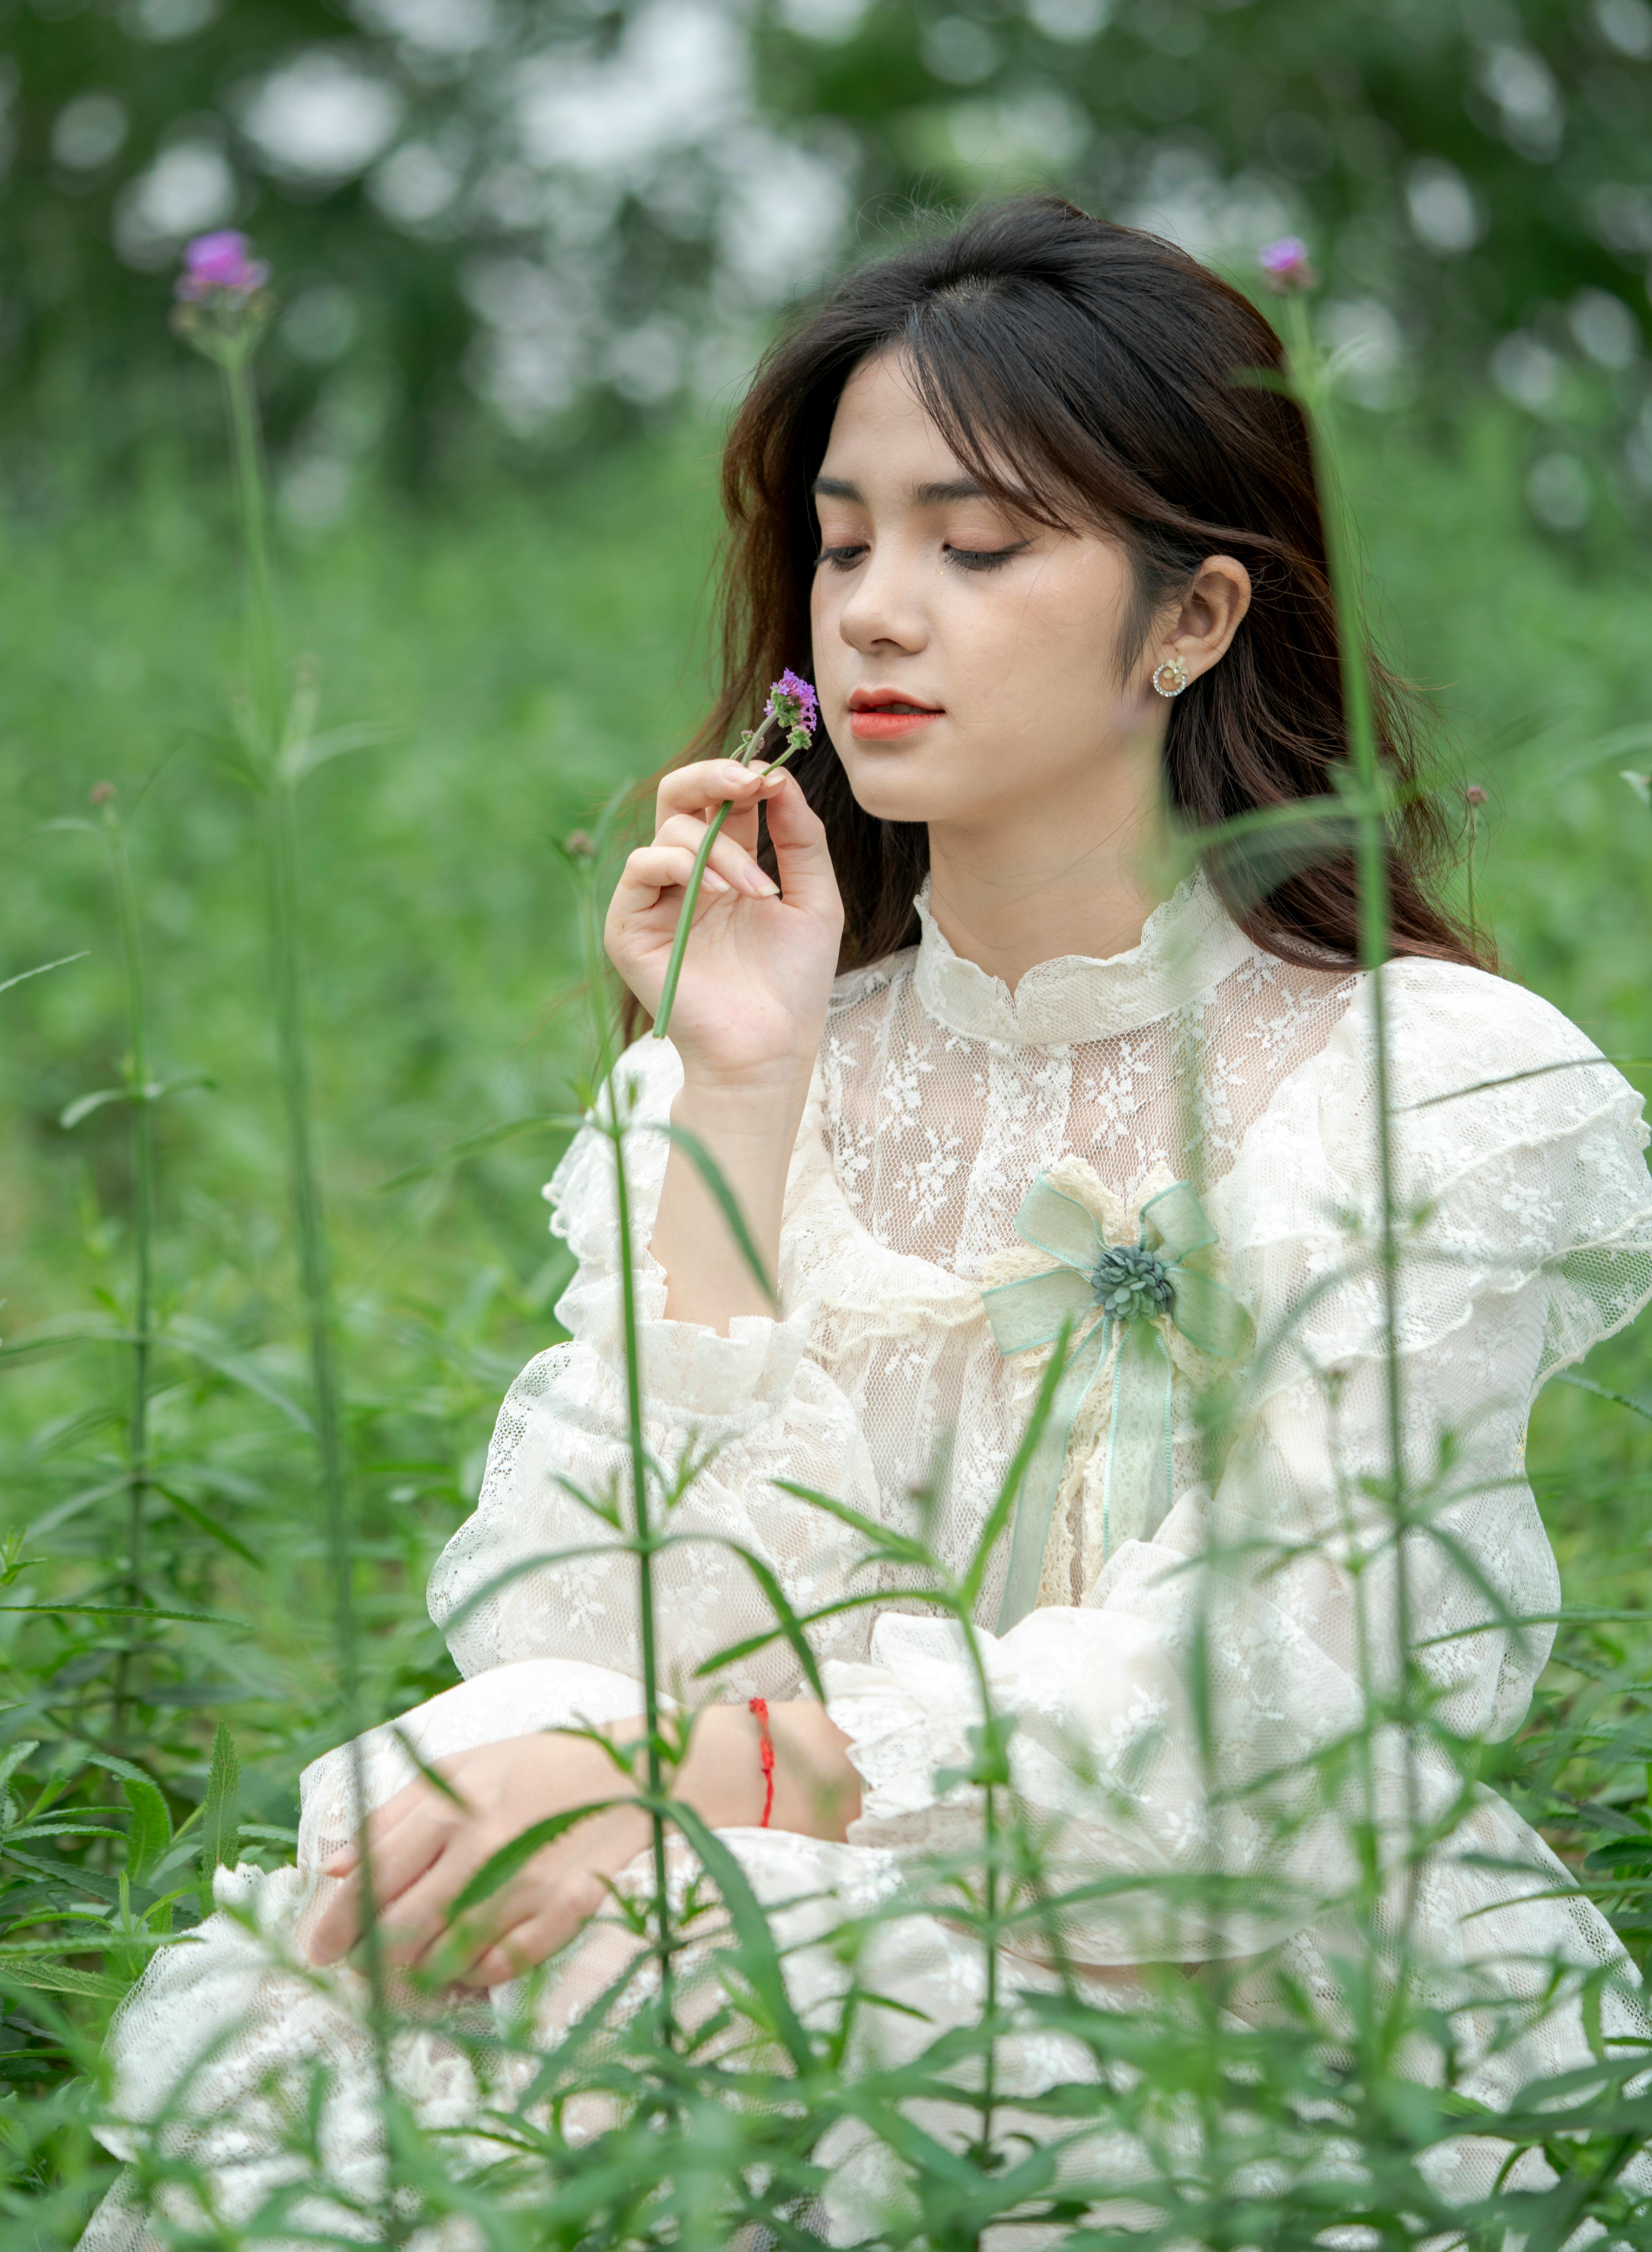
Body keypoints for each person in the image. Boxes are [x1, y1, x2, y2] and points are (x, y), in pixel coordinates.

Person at [84, 200, 1652, 2247]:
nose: (878, 614)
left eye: (978, 547)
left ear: (1188, 622)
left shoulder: (1423, 1081)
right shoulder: (771, 1055)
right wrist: (732, 1085)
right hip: (743, 1893)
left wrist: (693, 1775)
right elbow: (571, 1630)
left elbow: (1293, 1687)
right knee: (407, 1958)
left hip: (1230, 1981)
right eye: (842, 542)